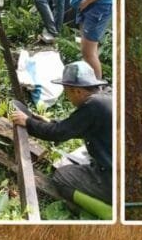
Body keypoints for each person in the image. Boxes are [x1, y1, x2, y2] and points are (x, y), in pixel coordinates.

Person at [11, 61, 112, 217]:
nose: (68, 97)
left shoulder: (94, 105)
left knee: (61, 178)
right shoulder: (106, 97)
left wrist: (28, 123)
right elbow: (76, 127)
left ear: (77, 91)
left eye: (67, 92)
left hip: (114, 179)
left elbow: (59, 133)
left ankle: (111, 212)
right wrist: (50, 123)